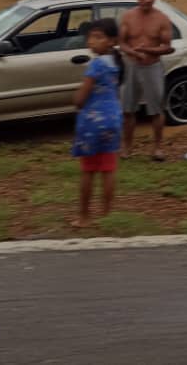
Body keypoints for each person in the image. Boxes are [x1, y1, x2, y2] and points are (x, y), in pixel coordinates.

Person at [71, 18, 124, 228]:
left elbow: (81, 99)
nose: (91, 41)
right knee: (108, 169)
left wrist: (75, 100)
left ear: (112, 41)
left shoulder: (96, 65)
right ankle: (107, 213)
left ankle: (84, 216)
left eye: (98, 37)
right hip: (113, 118)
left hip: (93, 121)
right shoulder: (116, 64)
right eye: (90, 37)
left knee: (88, 170)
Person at [119, 0, 175, 161]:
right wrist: (133, 53)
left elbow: (168, 47)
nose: (146, 0)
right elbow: (122, 43)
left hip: (153, 66)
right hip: (133, 66)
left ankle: (158, 148)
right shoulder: (128, 16)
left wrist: (147, 50)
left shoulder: (162, 19)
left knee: (156, 110)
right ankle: (127, 147)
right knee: (128, 109)